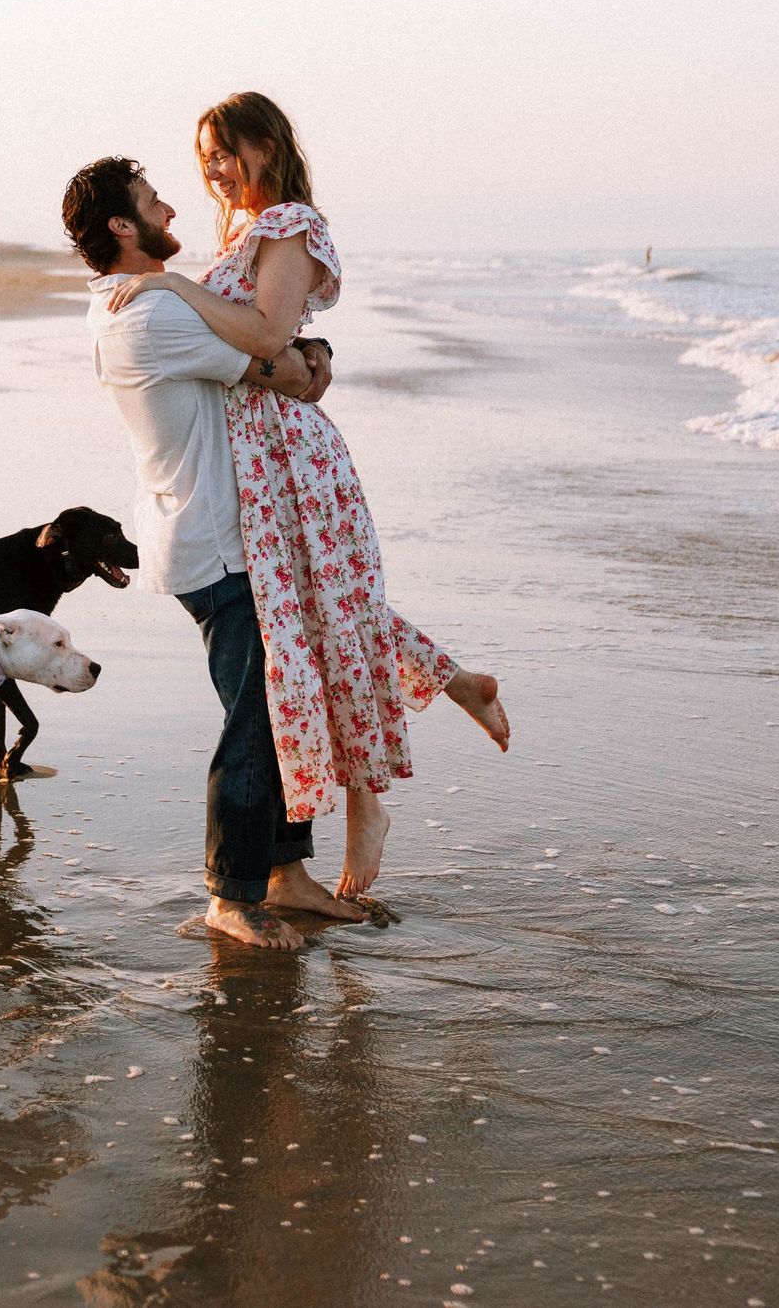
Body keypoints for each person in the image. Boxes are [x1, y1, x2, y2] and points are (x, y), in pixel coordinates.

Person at [104, 92, 509, 899]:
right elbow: (274, 344)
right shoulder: (241, 231)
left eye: (224, 153)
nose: (214, 172)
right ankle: (453, 689)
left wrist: (175, 289)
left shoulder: (288, 224)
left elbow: (264, 335)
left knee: (328, 617)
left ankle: (369, 801)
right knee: (320, 618)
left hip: (292, 458)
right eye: (204, 159)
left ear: (265, 144)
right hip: (255, 462)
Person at [63, 155, 368, 949]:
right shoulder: (150, 316)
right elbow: (286, 364)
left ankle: (285, 875)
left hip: (224, 537)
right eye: (153, 202)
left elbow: (279, 356)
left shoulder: (128, 305)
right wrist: (312, 358)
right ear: (124, 228)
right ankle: (230, 896)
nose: (173, 207)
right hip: (214, 545)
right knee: (257, 719)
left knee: (277, 699)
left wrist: (309, 352)